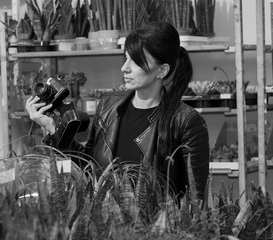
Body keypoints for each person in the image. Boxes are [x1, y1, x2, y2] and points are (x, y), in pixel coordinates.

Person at [25, 22, 210, 200]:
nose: (124, 68)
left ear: (161, 71)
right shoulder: (108, 106)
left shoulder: (186, 121)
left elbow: (196, 199)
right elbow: (89, 166)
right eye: (126, 58)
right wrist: (52, 127)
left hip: (157, 229)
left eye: (136, 62)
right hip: (107, 225)